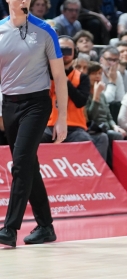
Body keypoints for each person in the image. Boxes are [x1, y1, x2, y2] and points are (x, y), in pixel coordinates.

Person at [0, 0, 67, 247]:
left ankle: (10, 228)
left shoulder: (45, 31)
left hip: (37, 105)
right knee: (27, 164)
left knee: (20, 164)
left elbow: (59, 77)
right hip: (9, 104)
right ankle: (46, 226)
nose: (23, 0)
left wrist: (61, 118)